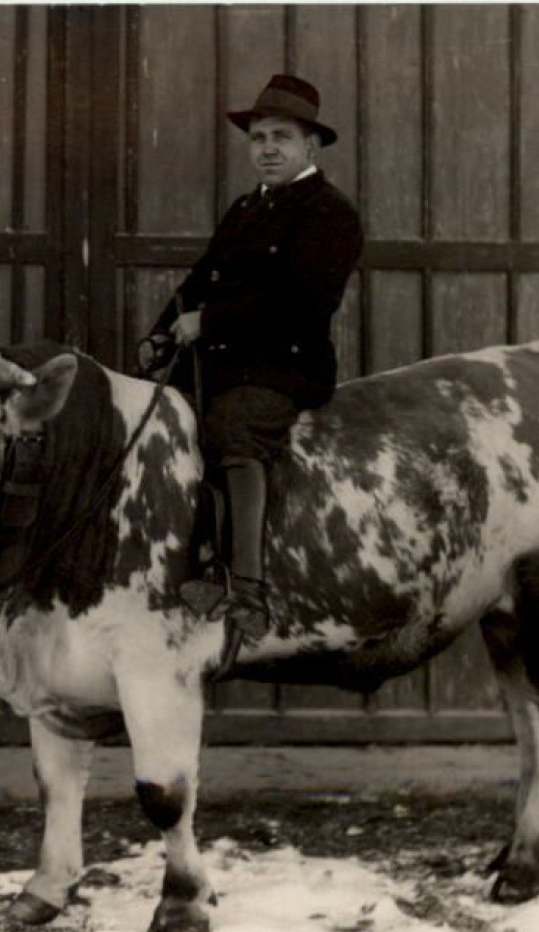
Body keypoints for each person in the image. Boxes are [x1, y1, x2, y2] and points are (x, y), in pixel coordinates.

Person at [138, 73, 363, 641]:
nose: (267, 148)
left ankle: (248, 589)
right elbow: (202, 277)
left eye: (280, 137)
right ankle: (187, 566)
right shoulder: (246, 208)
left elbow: (302, 301)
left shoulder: (328, 213)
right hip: (223, 362)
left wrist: (208, 322)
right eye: (258, 137)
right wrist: (161, 332)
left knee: (231, 426)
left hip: (284, 368)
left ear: (310, 146)